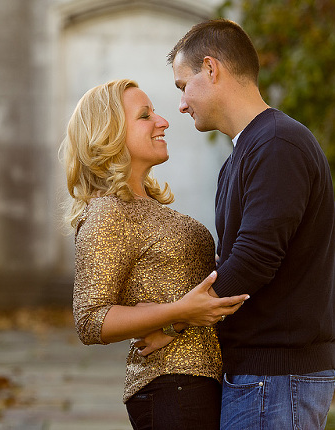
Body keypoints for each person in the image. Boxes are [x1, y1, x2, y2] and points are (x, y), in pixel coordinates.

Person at [158, 18, 335, 429]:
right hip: (260, 376)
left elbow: (255, 258)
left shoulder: (278, 144)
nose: (182, 105)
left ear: (211, 69)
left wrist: (176, 322)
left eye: (181, 86)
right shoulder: (244, 154)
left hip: (276, 378)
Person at [60, 78, 249, 430]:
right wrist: (180, 312)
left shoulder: (149, 207)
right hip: (170, 389)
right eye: (145, 116)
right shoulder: (108, 212)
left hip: (201, 385)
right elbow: (89, 319)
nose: (162, 121)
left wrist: (174, 320)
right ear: (110, 133)